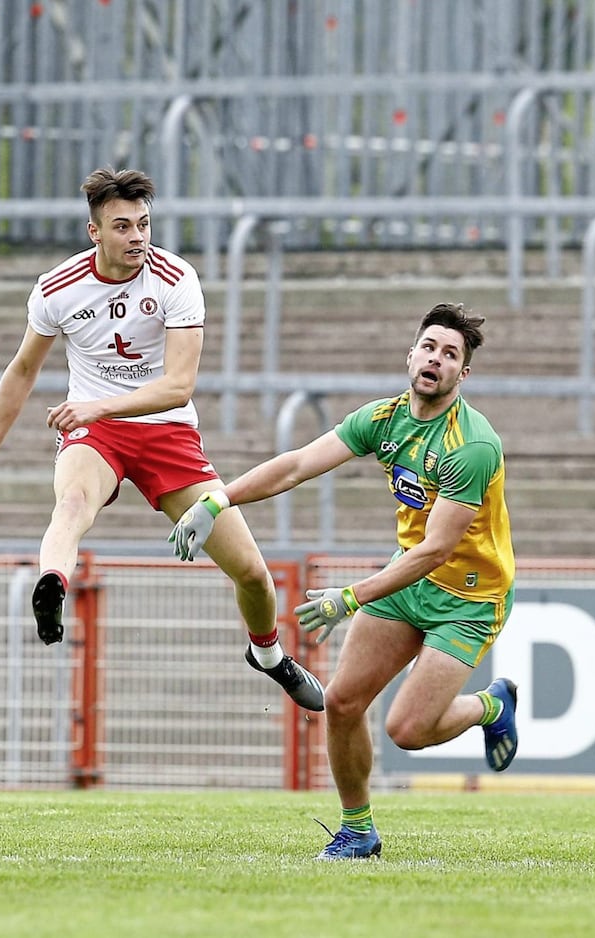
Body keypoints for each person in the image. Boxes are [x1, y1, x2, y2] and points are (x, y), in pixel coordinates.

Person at [0, 167, 324, 715]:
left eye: (144, 224)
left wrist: (95, 404)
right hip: (96, 433)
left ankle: (267, 656)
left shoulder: (175, 279)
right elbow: (22, 370)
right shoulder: (58, 288)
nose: (138, 237)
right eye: (122, 226)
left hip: (166, 434)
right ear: (94, 232)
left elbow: (178, 387)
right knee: (72, 503)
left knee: (253, 574)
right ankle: (52, 585)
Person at [170, 302, 517, 860]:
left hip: (468, 599)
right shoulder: (383, 419)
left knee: (407, 729)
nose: (436, 359)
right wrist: (218, 498)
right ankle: (358, 831)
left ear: (462, 375)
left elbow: (434, 551)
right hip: (408, 583)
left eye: (450, 354)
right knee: (343, 702)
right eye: (429, 347)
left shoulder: (471, 446)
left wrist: (349, 598)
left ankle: (491, 708)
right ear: (411, 356)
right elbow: (297, 465)